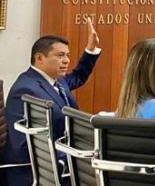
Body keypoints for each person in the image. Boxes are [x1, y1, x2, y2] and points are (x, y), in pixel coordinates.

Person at [2, 18, 101, 186]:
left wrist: (91, 50)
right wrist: (69, 158)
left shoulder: (56, 80)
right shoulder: (26, 90)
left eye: (67, 56)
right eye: (60, 55)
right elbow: (26, 144)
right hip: (36, 173)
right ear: (39, 58)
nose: (66, 60)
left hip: (64, 163)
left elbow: (78, 76)